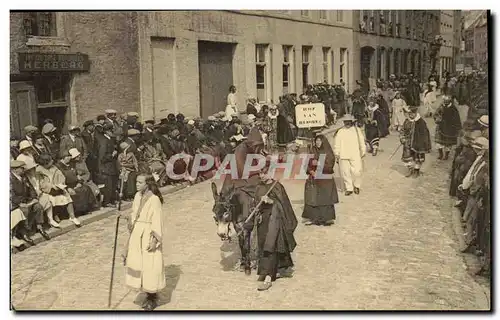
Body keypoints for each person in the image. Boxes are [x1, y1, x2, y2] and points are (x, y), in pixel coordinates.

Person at [125, 174, 166, 311]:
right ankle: (143, 288)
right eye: (136, 181)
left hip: (148, 233)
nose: (137, 184)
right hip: (137, 233)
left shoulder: (154, 200)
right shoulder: (137, 196)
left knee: (150, 265)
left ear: (147, 184)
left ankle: (152, 296)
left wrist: (155, 239)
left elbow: (157, 219)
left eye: (140, 182)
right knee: (138, 262)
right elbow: (134, 213)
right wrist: (129, 220)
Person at [254, 166, 297, 291]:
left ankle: (268, 277)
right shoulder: (258, 187)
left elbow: (284, 205)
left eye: (264, 173)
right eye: (260, 173)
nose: (262, 176)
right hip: (262, 222)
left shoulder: (277, 187)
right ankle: (274, 269)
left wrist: (271, 201)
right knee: (264, 245)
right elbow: (255, 203)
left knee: (271, 245)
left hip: (275, 221)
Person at [10, 159, 50, 244]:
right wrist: (20, 203)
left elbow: (31, 188)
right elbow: (11, 195)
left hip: (27, 200)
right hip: (15, 203)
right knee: (24, 210)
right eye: (22, 168)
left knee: (38, 206)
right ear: (15, 169)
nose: (24, 170)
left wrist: (33, 197)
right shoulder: (9, 179)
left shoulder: (24, 177)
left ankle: (40, 227)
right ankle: (24, 232)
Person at [302, 134, 338, 226]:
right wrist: (311, 171)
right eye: (316, 141)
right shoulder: (313, 150)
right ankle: (313, 218)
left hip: (325, 179)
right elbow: (307, 164)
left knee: (324, 199)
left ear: (323, 142)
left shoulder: (328, 152)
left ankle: (326, 218)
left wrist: (318, 163)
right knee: (312, 198)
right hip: (313, 178)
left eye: (319, 141)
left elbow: (330, 166)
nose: (318, 143)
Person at [36, 153, 81, 226]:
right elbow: (41, 184)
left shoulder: (54, 168)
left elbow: (62, 177)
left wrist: (60, 184)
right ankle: (52, 218)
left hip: (58, 188)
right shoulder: (38, 171)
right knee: (50, 199)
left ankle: (72, 216)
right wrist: (52, 186)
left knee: (66, 196)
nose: (52, 161)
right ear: (45, 163)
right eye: (50, 161)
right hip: (47, 191)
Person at [333, 115, 366, 196]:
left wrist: (363, 151)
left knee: (357, 171)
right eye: (345, 121)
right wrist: (337, 153)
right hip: (343, 154)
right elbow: (337, 143)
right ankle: (349, 188)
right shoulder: (340, 131)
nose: (347, 123)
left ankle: (357, 186)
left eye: (348, 121)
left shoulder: (357, 130)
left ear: (351, 122)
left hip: (355, 154)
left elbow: (361, 141)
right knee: (345, 172)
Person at [399, 106, 432, 178]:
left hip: (418, 143)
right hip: (408, 143)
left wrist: (423, 142)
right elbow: (402, 130)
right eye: (409, 113)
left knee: (418, 157)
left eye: (412, 113)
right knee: (408, 156)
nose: (411, 115)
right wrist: (402, 138)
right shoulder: (407, 121)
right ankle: (410, 170)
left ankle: (417, 170)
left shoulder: (421, 122)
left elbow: (425, 133)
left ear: (416, 113)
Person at [434, 95, 462, 160]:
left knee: (448, 143)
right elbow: (436, 114)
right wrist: (437, 118)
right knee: (438, 142)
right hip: (441, 126)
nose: (445, 102)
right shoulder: (441, 106)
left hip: (450, 128)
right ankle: (440, 154)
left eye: (447, 101)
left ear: (450, 101)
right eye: (444, 101)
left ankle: (446, 155)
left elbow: (457, 119)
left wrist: (457, 128)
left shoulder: (453, 108)